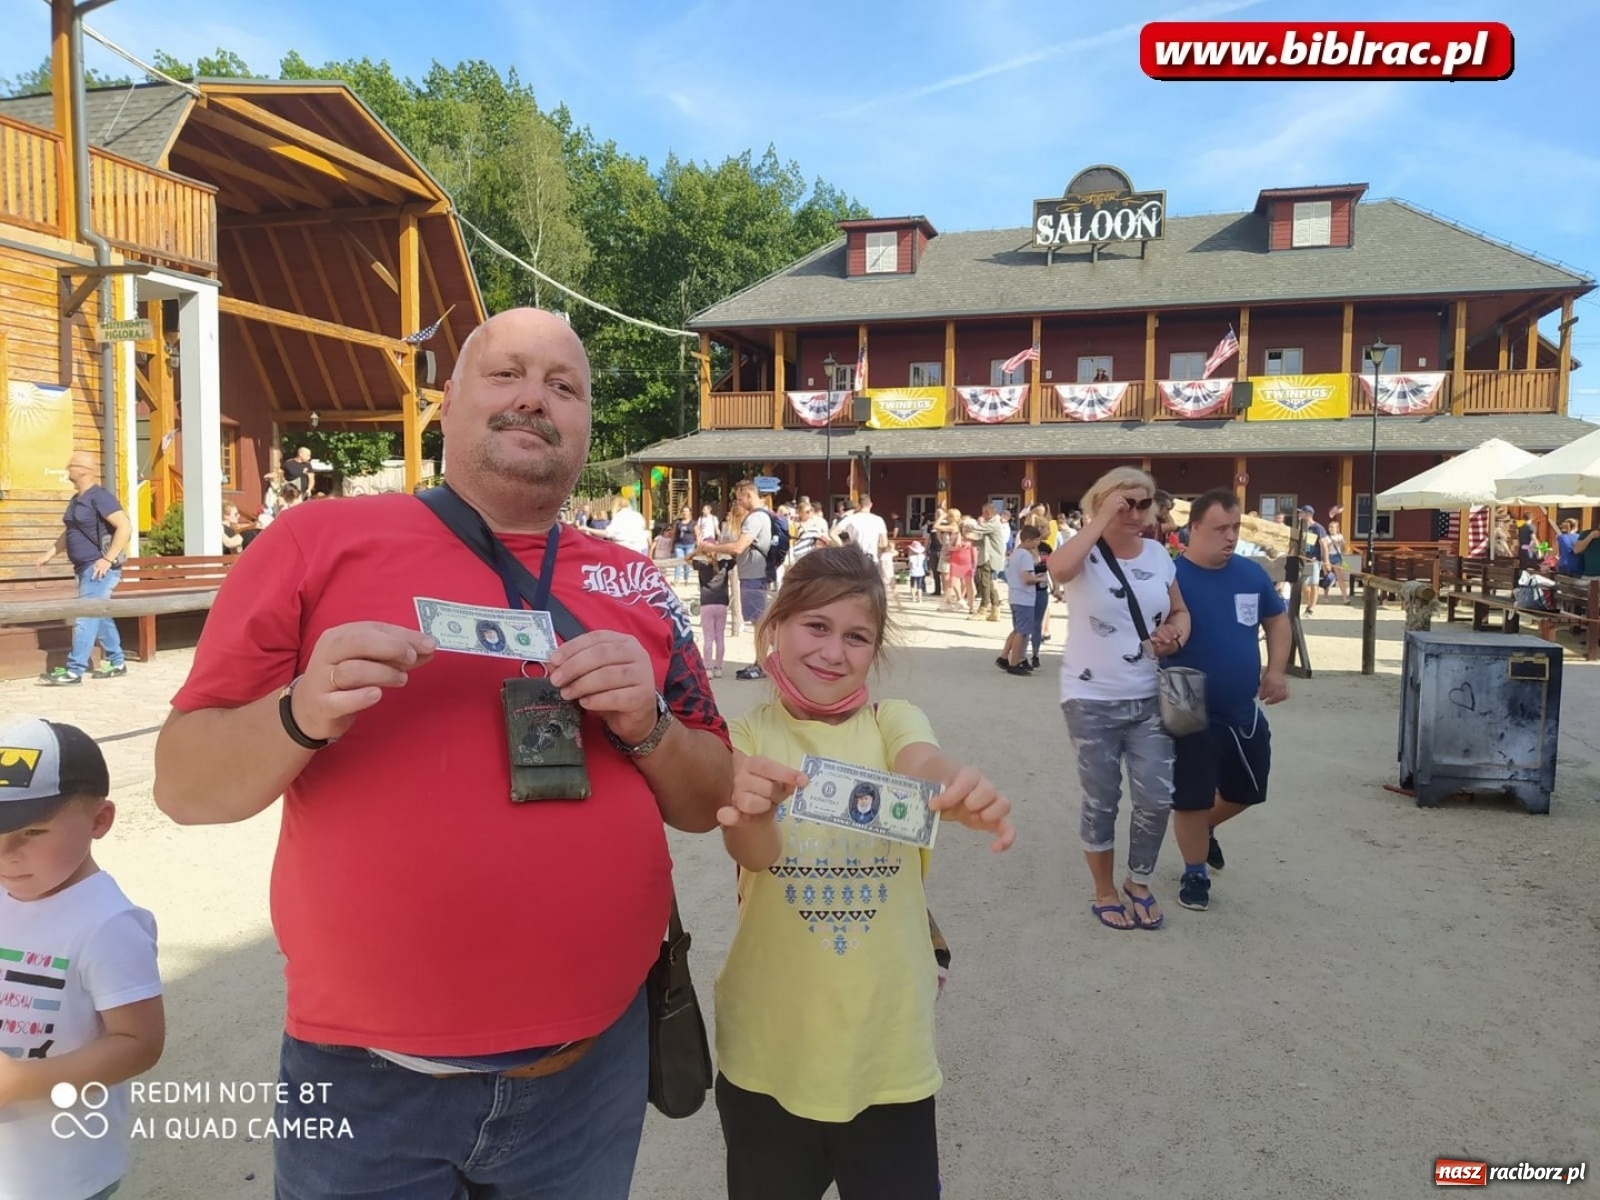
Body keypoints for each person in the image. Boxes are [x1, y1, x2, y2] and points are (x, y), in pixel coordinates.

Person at [152, 308, 734, 1200]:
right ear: (448, 401)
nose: (534, 398)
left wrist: (649, 724)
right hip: (364, 1080)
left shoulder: (636, 580)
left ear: (584, 425)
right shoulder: (314, 542)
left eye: (564, 386)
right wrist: (300, 711)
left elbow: (708, 798)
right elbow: (184, 785)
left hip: (589, 1072)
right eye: (506, 374)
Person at [712, 546, 1015, 1200]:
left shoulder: (891, 722)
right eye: (815, 627)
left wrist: (954, 790)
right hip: (770, 1050)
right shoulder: (745, 737)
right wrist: (751, 806)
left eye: (856, 637)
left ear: (875, 651)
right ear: (776, 626)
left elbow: (919, 765)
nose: (833, 651)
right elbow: (754, 854)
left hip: (888, 1052)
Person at [0, 717, 165, 1200]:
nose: (6, 852)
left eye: (32, 831)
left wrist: (20, 1081)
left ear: (99, 821)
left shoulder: (108, 924)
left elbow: (139, 1042)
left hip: (57, 1173)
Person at [1048, 467, 1190, 931]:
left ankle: (1139, 882)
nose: (1135, 512)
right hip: (1091, 698)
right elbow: (1058, 569)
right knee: (1102, 799)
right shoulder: (1083, 550)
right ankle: (1104, 890)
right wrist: (1099, 518)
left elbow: (1179, 610)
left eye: (1144, 503)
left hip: (1149, 696)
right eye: (1124, 503)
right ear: (1101, 502)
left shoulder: (1157, 554)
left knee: (1157, 796)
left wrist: (1176, 634)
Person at [1166, 489, 1291, 912]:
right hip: (1185, 702)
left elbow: (1277, 620)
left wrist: (1276, 670)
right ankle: (1194, 872)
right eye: (1221, 528)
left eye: (1235, 527)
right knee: (1191, 796)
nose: (1231, 536)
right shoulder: (1170, 576)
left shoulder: (1251, 575)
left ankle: (1202, 831)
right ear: (1194, 529)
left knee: (1248, 788)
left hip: (1241, 705)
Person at [34, 452, 132, 686]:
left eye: (71, 465)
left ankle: (74, 670)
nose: (67, 468)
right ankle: (117, 662)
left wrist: (107, 560)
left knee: (86, 615)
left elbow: (125, 527)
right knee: (99, 614)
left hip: (98, 568)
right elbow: (70, 532)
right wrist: (49, 553)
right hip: (84, 568)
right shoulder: (77, 499)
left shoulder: (100, 497)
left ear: (83, 470)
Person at [700, 478, 776, 681]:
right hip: (757, 573)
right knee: (760, 621)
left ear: (749, 495)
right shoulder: (765, 516)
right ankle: (763, 661)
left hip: (752, 575)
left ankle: (761, 664)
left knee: (758, 622)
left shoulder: (754, 518)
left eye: (740, 498)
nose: (738, 503)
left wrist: (712, 548)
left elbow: (738, 547)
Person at [997, 524, 1044, 675]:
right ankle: (1015, 662)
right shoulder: (1025, 556)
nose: (1038, 543)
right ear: (1029, 540)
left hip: (1015, 595)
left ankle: (1004, 656)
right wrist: (1037, 579)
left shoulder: (1015, 553)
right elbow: (1026, 578)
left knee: (1017, 628)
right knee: (1022, 632)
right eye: (1037, 540)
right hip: (1024, 597)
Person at [694, 548, 733, 679]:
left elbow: (687, 559)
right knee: (720, 637)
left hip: (707, 602)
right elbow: (734, 557)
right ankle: (718, 667)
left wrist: (698, 550)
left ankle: (708, 667)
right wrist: (722, 548)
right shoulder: (724, 564)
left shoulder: (702, 565)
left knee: (708, 638)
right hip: (721, 603)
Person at [969, 503, 1007, 622]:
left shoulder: (994, 523)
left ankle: (983, 609)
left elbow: (976, 528)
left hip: (990, 557)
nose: (982, 514)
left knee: (985, 583)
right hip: (988, 555)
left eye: (984, 512)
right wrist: (971, 541)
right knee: (990, 583)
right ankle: (995, 609)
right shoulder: (991, 524)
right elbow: (983, 541)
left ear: (990, 512)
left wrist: (966, 523)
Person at [832, 492, 889, 565]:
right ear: (871, 504)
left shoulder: (850, 519)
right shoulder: (879, 520)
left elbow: (832, 533)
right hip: (871, 558)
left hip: (855, 556)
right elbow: (884, 543)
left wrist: (843, 546)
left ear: (858, 505)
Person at [1297, 505, 1329, 615]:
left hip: (1314, 559)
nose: (1299, 514)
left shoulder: (1318, 528)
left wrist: (1326, 561)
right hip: (1303, 559)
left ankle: (1311, 607)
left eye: (1301, 512)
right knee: (1304, 586)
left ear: (1308, 514)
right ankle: (1308, 603)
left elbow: (1324, 545)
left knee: (1314, 583)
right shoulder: (1301, 527)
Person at [600, 491, 651, 556]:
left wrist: (588, 529)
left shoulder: (619, 516)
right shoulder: (637, 515)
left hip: (628, 548)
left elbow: (608, 533)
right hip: (642, 547)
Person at [789, 496, 832, 565]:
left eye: (811, 510)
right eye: (807, 512)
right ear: (800, 513)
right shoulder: (795, 525)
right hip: (796, 557)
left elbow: (824, 538)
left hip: (810, 557)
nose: (810, 513)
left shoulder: (817, 523)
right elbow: (791, 542)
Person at [671, 505, 698, 584]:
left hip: (690, 544)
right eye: (683, 511)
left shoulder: (693, 523)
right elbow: (674, 533)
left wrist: (698, 546)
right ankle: (676, 579)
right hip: (679, 544)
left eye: (686, 511)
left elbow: (697, 534)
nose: (685, 513)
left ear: (690, 513)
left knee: (687, 561)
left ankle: (686, 578)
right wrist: (671, 544)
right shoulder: (678, 522)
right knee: (678, 561)